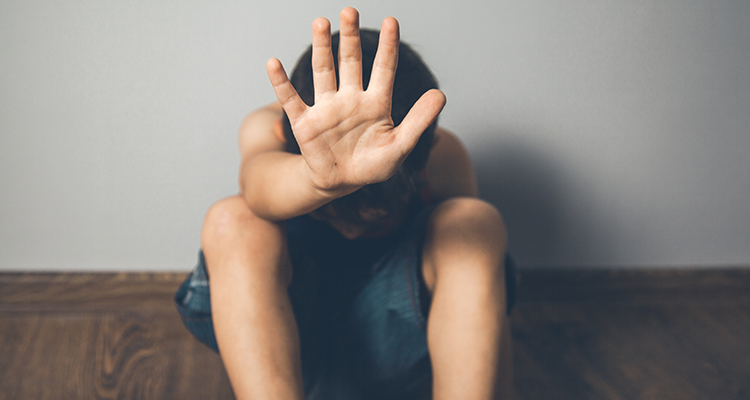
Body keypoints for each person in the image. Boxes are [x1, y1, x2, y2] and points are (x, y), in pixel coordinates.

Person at [175, 7, 517, 400]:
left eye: (374, 219)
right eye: (331, 214)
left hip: (394, 345)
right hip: (286, 343)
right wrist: (319, 180)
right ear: (282, 136)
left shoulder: (444, 159)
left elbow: (482, 300)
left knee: (474, 224)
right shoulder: (265, 128)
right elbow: (258, 186)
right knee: (232, 220)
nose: (352, 232)